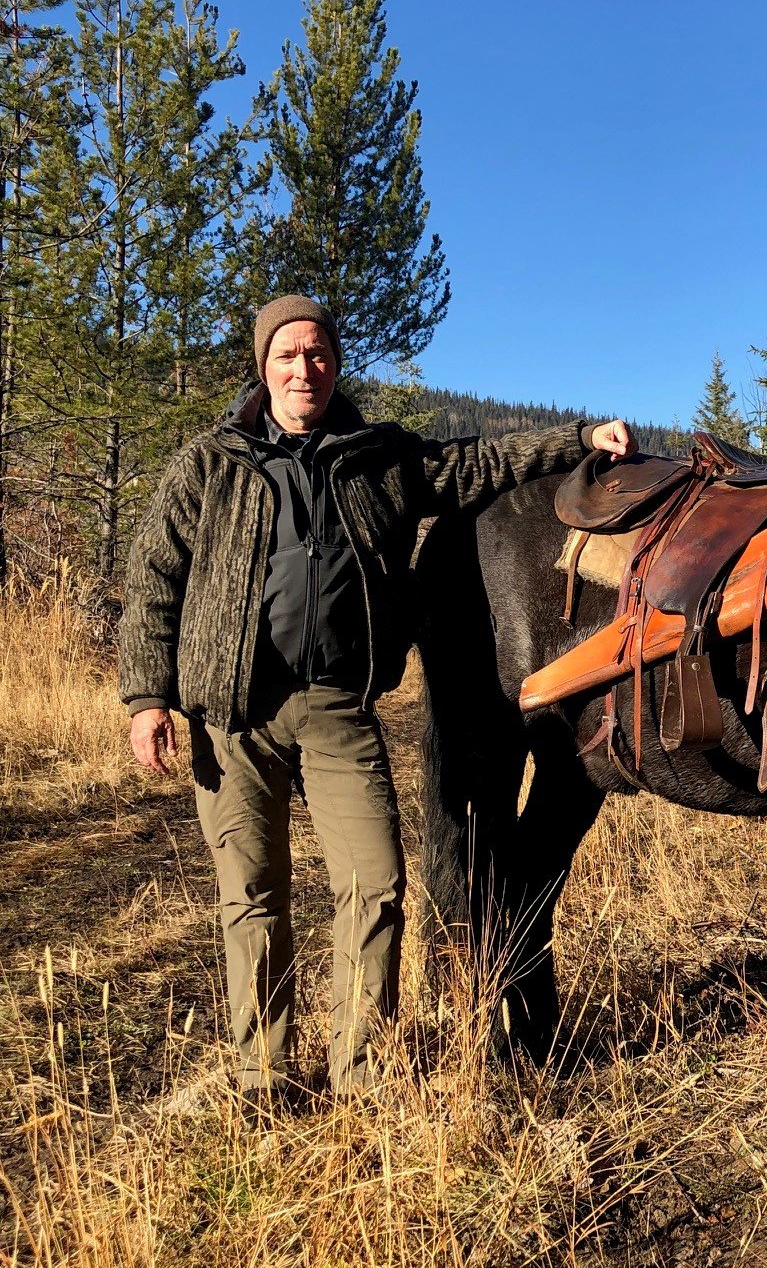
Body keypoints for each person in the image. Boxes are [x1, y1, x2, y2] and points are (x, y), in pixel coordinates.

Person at [119, 294, 633, 1101]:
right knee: (251, 896)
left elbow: (477, 465)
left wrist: (576, 440)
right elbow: (154, 578)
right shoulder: (210, 463)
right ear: (263, 366)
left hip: (334, 707)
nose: (303, 370)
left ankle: (361, 1072)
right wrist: (148, 695)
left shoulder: (377, 458)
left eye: (318, 354)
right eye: (287, 355)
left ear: (335, 363)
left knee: (376, 881)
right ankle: (263, 1074)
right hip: (233, 712)